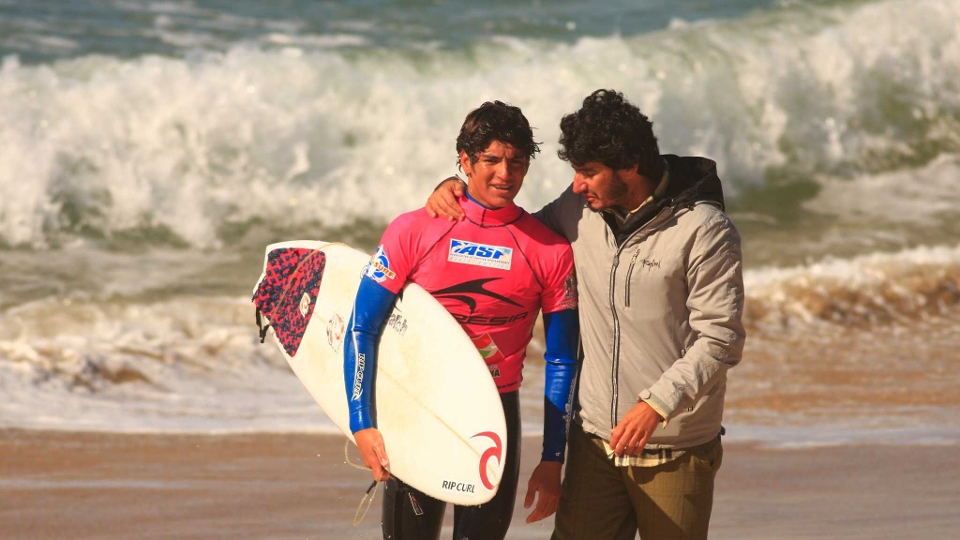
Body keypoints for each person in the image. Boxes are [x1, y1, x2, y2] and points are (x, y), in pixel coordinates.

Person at [426, 89, 745, 540]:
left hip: (674, 447)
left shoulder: (704, 230)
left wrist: (656, 404)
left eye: (588, 173)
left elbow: (721, 338)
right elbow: (512, 237)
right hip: (596, 442)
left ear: (630, 167)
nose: (577, 185)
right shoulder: (579, 210)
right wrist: (455, 187)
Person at [344, 101, 581, 540]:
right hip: (420, 410)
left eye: (517, 162)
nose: (505, 175)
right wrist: (363, 423)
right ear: (466, 161)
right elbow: (362, 328)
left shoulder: (549, 250)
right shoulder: (414, 230)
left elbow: (563, 359)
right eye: (491, 160)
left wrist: (553, 457)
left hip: (496, 416)